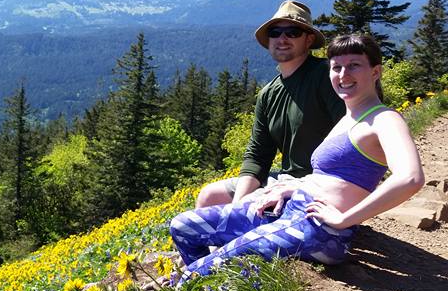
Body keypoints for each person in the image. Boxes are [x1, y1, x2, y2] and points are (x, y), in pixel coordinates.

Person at [170, 34, 424, 277]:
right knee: (182, 226)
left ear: (375, 72)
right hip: (292, 208)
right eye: (336, 67)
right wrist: (292, 188)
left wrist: (344, 219)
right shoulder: (349, 118)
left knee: (207, 266)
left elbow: (410, 178)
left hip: (320, 229)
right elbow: (329, 176)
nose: (343, 74)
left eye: (354, 65)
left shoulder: (385, 119)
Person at [196, 0, 345, 208]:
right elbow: (258, 155)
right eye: (275, 32)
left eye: (293, 32)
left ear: (309, 39)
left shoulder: (326, 76)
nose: (282, 39)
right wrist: (238, 205)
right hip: (286, 178)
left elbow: (349, 132)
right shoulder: (268, 94)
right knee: (209, 196)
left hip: (323, 182)